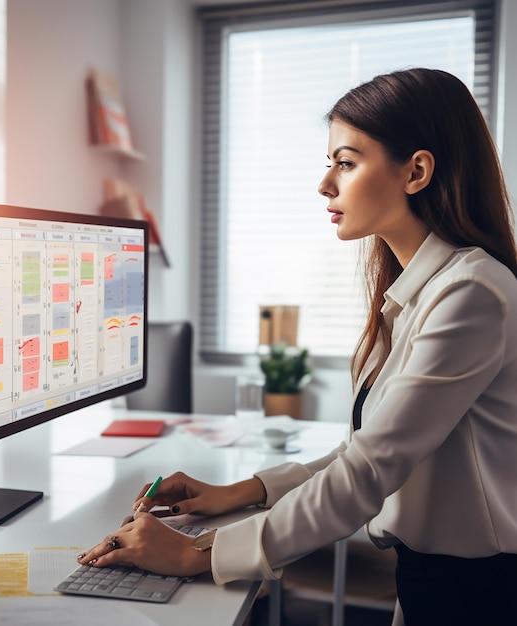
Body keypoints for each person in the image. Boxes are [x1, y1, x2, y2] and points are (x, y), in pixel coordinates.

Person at [77, 68, 517, 625]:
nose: (325, 184)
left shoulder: (471, 294)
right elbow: (368, 449)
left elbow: (369, 472)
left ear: (417, 171)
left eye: (346, 162)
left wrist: (197, 552)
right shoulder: (426, 291)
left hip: (476, 595)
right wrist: (237, 492)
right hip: (438, 583)